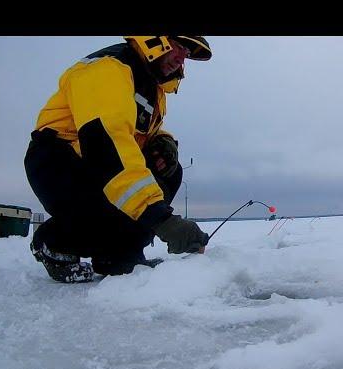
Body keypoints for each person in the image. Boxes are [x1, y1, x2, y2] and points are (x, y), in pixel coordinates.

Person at [25, 36, 212, 283]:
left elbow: (138, 133)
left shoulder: (150, 85)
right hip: (60, 160)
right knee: (115, 198)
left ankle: (120, 255)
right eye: (178, 46)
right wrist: (162, 220)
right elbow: (106, 144)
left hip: (100, 163)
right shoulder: (107, 69)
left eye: (186, 52)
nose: (181, 58)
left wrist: (163, 142)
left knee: (170, 170)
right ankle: (56, 241)